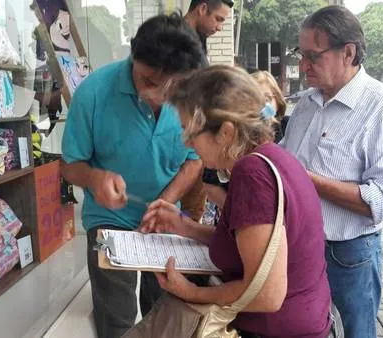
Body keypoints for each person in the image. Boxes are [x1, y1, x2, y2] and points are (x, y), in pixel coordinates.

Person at [140, 65, 335, 338]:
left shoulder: (252, 174)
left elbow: (267, 294)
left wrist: (191, 292)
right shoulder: (273, 157)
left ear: (226, 133)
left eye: (189, 132)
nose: (187, 144)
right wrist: (183, 226)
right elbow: (246, 243)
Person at [60, 13, 204, 338]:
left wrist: (164, 204)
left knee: (165, 310)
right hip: (109, 218)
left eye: (173, 86)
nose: (160, 95)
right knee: (117, 319)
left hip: (165, 218)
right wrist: (96, 179)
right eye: (149, 81)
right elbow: (70, 165)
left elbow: (194, 161)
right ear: (133, 57)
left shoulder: (194, 97)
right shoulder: (94, 92)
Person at [280, 6, 383, 338]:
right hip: (299, 246)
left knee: (355, 332)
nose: (303, 65)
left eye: (313, 56)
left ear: (348, 53)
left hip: (348, 254)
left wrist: (309, 181)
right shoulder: (306, 103)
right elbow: (284, 157)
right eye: (301, 54)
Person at [180, 0, 234, 223]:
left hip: (193, 141)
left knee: (191, 216)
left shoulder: (195, 39)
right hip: (178, 142)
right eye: (218, 19)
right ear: (202, 9)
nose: (220, 27)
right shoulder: (176, 42)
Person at [205, 70, 287, 208]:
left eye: (267, 99)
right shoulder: (232, 135)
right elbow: (210, 181)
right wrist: (235, 210)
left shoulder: (287, 128)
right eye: (254, 99)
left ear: (277, 101)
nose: (261, 106)